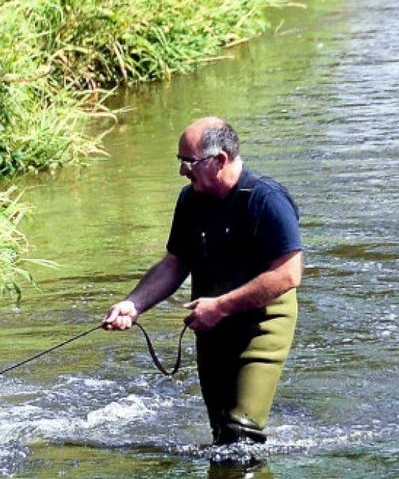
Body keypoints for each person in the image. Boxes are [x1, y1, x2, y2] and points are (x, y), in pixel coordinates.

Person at [102, 117, 302, 445]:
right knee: (221, 435)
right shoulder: (190, 201)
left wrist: (221, 306)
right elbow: (175, 263)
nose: (182, 170)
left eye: (188, 162)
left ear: (219, 160)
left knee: (241, 432)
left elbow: (289, 274)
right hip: (211, 325)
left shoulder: (267, 200)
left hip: (262, 326)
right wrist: (133, 304)